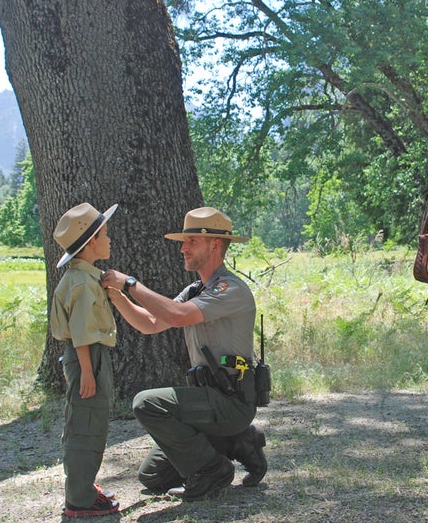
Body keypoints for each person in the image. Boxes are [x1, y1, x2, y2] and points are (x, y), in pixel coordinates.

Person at [101, 206, 267, 500]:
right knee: (153, 476)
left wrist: (130, 283)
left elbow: (177, 316)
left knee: (145, 403)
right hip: (207, 403)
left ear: (215, 245)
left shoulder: (230, 289)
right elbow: (150, 323)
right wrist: (117, 295)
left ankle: (215, 470)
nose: (182, 248)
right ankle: (237, 441)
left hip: (231, 401)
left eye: (191, 240)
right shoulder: (196, 290)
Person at [50, 202, 121, 518]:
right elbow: (81, 332)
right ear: (91, 242)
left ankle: (84, 486)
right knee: (87, 424)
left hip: (88, 356)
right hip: (87, 357)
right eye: (105, 234)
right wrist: (89, 373)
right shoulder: (81, 283)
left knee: (89, 421)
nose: (109, 239)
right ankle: (79, 499)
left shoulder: (84, 277)